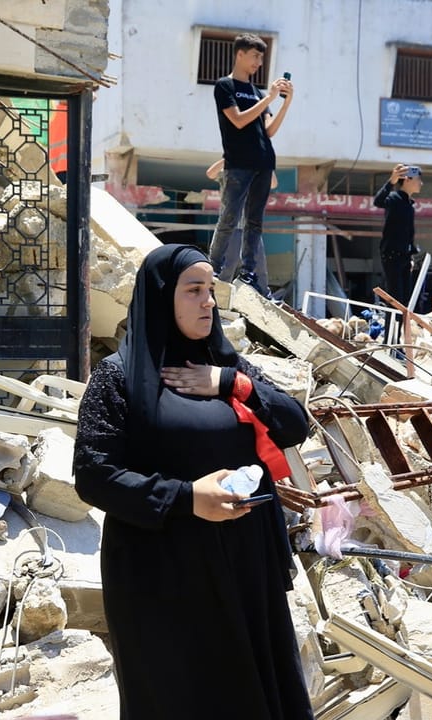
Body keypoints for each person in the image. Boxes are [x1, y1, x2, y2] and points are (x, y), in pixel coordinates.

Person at [72, 243, 314, 720]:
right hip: (163, 574)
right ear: (163, 297)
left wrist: (230, 383)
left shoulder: (225, 366)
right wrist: (186, 498)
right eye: (194, 290)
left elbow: (294, 424)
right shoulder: (118, 378)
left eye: (211, 291)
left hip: (245, 564)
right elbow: (94, 475)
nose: (208, 301)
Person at [208, 34, 293, 300]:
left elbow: (269, 131)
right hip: (238, 164)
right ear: (240, 54)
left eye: (261, 57)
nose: (259, 62)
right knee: (229, 218)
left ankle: (249, 271)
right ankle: (213, 267)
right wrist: (269, 98)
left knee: (255, 222)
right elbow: (239, 120)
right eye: (255, 56)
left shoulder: (257, 93)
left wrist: (285, 102)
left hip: (264, 163)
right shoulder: (225, 86)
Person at [206, 158, 277, 295]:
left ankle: (263, 295)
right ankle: (218, 297)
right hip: (230, 229)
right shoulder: (231, 170)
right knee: (226, 267)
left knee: (259, 266)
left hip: (250, 230)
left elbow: (273, 183)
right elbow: (210, 173)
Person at [374, 163, 422, 305]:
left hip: (405, 257)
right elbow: (378, 201)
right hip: (392, 255)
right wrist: (391, 181)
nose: (421, 183)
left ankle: (402, 327)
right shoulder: (394, 199)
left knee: (406, 301)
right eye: (418, 179)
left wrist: (411, 255)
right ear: (407, 179)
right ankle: (391, 327)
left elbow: (408, 233)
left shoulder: (409, 204)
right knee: (395, 300)